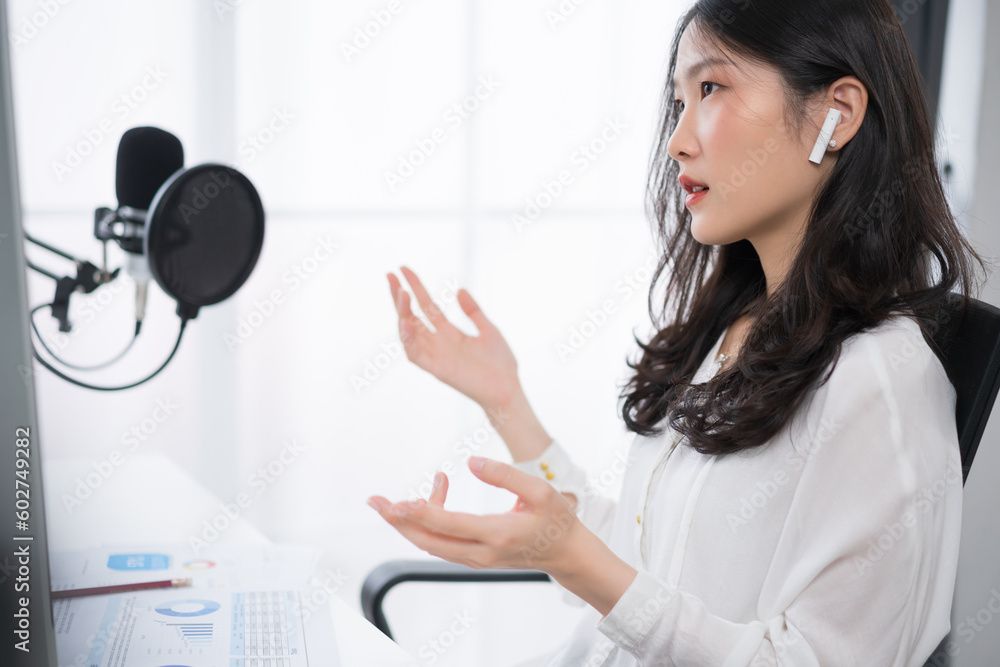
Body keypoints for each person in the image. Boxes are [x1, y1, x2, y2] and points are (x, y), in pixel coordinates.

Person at [365, 0, 990, 664]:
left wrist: (576, 560)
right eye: (679, 101)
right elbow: (644, 564)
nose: (677, 140)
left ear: (836, 112)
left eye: (712, 88)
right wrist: (505, 402)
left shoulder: (877, 379)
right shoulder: (735, 328)